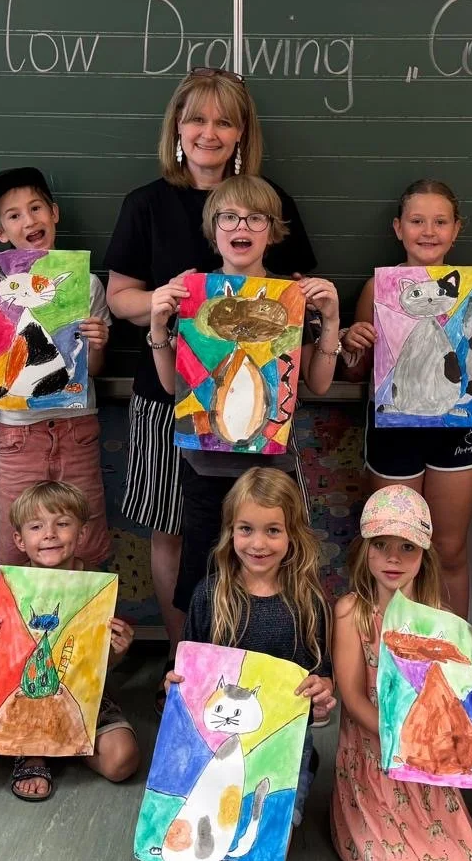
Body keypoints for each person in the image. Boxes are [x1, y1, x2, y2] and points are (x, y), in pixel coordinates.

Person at [104, 68, 315, 644]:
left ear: (242, 133)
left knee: (252, 528)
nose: (209, 132)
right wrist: (165, 302)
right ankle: (184, 658)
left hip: (256, 408)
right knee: (174, 529)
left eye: (224, 122)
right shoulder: (146, 204)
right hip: (166, 394)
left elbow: (292, 298)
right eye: (196, 119)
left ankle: (247, 653)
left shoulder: (269, 202)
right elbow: (119, 297)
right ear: (177, 126)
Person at [146, 175, 343, 617]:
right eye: (230, 217)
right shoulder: (193, 294)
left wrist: (330, 321)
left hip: (272, 471)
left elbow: (319, 383)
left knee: (274, 589)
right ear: (212, 229)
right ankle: (199, 660)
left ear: (272, 232)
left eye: (256, 218)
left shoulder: (291, 297)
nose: (242, 226)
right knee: (204, 586)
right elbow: (171, 387)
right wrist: (158, 326)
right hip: (205, 468)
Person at [153, 468, 336, 861]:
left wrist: (322, 694)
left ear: (292, 535)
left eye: (273, 530)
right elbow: (189, 674)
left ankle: (294, 790)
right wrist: (174, 684)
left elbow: (323, 679)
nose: (258, 543)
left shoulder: (308, 602)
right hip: (214, 750)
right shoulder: (210, 594)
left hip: (279, 758)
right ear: (230, 531)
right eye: (246, 529)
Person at [339, 179, 472, 613]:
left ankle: (451, 644)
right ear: (398, 228)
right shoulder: (377, 289)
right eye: (417, 221)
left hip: (456, 430)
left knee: (448, 549)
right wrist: (352, 344)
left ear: (456, 230)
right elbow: (359, 371)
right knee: (393, 546)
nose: (428, 231)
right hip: (394, 429)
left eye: (440, 222)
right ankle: (390, 644)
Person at [330, 485, 472, 861]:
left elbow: (457, 697)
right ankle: (350, 823)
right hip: (373, 760)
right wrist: (400, 740)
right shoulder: (350, 612)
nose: (393, 558)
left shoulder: (438, 619)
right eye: (380, 545)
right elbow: (352, 698)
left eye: (407, 547)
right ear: (364, 550)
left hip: (426, 766)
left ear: (424, 554)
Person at [0, 166, 112, 569]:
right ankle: (14, 613)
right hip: (18, 434)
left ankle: (89, 610)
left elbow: (93, 370)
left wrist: (97, 344)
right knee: (16, 544)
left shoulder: (87, 285)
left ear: (54, 213)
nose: (29, 221)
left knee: (86, 537)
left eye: (36, 208)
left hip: (76, 427)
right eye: (14, 215)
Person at [0, 480, 139, 802]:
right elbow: (0, 663)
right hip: (28, 695)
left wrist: (118, 650)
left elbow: (101, 663)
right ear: (19, 540)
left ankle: (65, 746)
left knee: (122, 761)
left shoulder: (96, 586)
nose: (50, 534)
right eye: (36, 527)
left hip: (83, 692)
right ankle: (38, 751)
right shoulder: (10, 586)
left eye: (62, 524)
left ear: (81, 533)